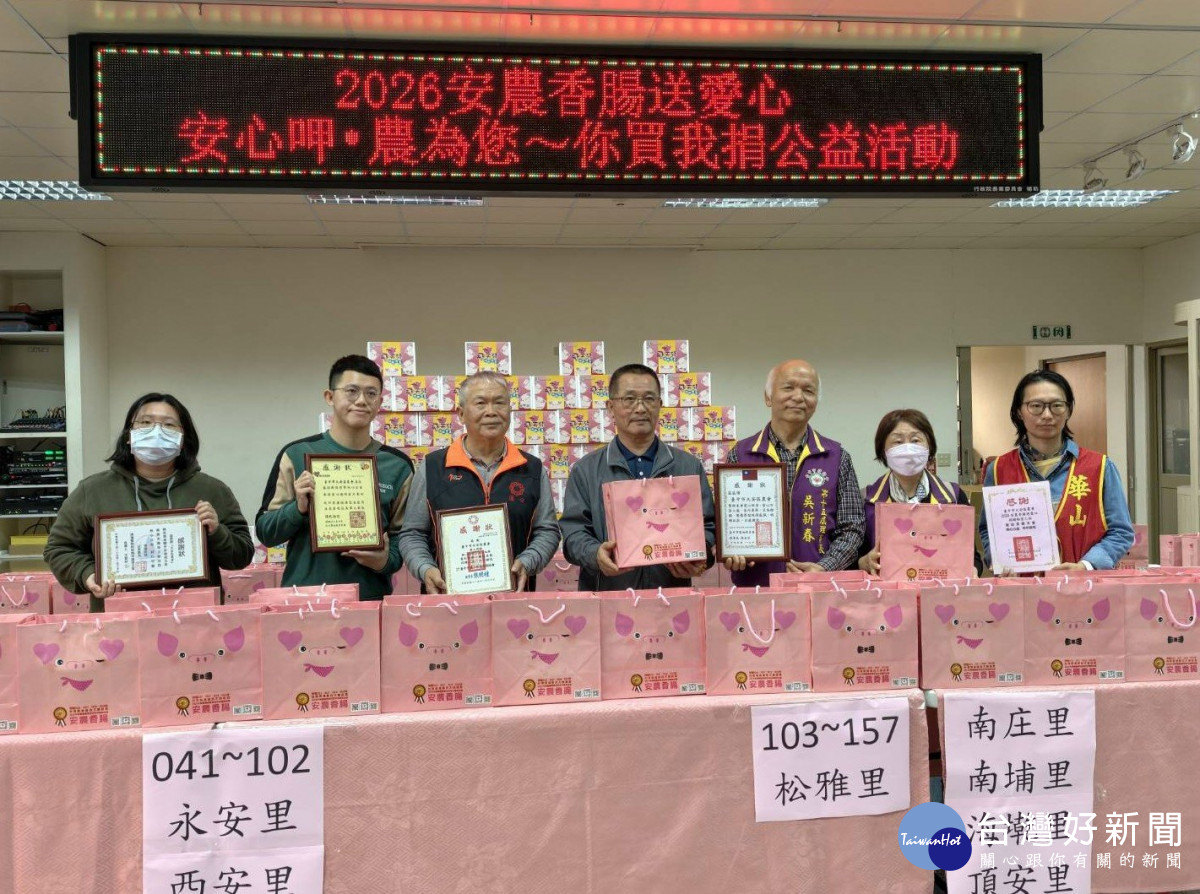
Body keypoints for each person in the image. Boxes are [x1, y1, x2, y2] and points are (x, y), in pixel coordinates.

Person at [45, 392, 254, 612]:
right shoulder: (92, 490)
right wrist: (88, 574)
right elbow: (58, 548)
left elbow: (242, 556)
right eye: (145, 422)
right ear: (129, 435)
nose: (156, 431)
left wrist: (217, 532)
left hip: (195, 620)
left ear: (183, 440)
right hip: (118, 620)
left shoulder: (212, 490)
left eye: (169, 425)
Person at [257, 355, 413, 600]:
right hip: (306, 600)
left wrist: (385, 560)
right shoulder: (296, 455)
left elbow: (405, 537)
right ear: (329, 397)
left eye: (371, 393)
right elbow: (266, 532)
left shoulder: (397, 465)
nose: (361, 400)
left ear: (380, 402)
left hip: (369, 601)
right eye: (351, 391)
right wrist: (298, 508)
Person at [398, 371, 560, 594]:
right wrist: (425, 569)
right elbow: (412, 533)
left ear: (510, 410)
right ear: (461, 413)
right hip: (447, 602)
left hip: (513, 601)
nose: (491, 411)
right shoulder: (432, 467)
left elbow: (547, 530)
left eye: (499, 403)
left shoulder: (532, 468)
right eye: (481, 403)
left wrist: (528, 561)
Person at [560, 363, 715, 590]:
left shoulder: (688, 466)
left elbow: (708, 525)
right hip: (608, 597)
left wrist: (700, 556)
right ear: (611, 407)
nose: (640, 408)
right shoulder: (585, 470)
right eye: (629, 399)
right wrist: (595, 554)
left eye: (649, 399)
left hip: (671, 596)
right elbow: (573, 532)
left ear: (660, 405)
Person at [723, 359, 864, 585]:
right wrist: (731, 552)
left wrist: (825, 567)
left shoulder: (837, 457)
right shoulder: (740, 454)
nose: (798, 397)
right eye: (788, 387)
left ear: (816, 401)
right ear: (768, 397)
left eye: (808, 390)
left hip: (816, 589)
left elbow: (852, 527)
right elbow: (727, 524)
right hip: (756, 587)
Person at [980, 369, 1134, 571]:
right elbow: (988, 530)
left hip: (1083, 585)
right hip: (1020, 586)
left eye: (1057, 406)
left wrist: (1086, 565)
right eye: (1036, 406)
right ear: (1019, 412)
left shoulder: (1100, 467)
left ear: (1068, 411)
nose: (1047, 415)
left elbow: (1121, 532)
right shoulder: (998, 470)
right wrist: (999, 560)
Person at [858, 409, 980, 575]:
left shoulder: (954, 495)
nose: (908, 448)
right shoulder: (866, 499)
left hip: (940, 590)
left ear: (929, 447)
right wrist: (863, 562)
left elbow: (973, 558)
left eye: (916, 440)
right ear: (883, 450)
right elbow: (852, 559)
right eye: (898, 442)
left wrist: (972, 569)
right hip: (887, 591)